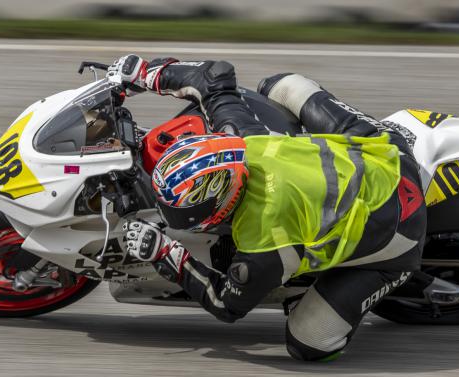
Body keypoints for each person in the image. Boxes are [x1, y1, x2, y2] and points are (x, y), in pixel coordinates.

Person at [107, 55, 427, 361]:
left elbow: (227, 305)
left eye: (185, 213)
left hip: (401, 232)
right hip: (383, 149)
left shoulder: (264, 236)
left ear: (221, 204)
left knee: (308, 344)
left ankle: (347, 282)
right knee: (279, 85)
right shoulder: (246, 139)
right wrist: (146, 74)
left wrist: (167, 255)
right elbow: (214, 77)